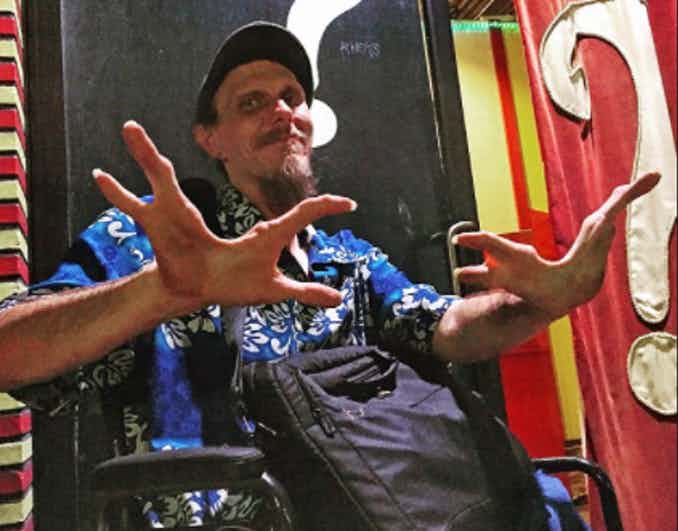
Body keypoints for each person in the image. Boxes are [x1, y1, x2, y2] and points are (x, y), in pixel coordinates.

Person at [0, 21, 659, 528]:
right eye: (252, 102)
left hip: (368, 506)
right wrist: (162, 290)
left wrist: (546, 301)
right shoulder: (159, 240)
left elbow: (449, 326)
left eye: (293, 97)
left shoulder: (345, 256)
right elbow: (10, 350)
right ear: (211, 138)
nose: (282, 111)